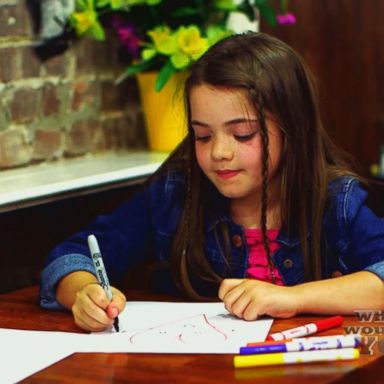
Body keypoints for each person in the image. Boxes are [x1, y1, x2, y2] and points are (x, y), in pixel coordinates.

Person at [40, 32, 384, 332]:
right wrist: (84, 294)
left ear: (294, 130)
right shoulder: (175, 194)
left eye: (243, 134)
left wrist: (291, 298)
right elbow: (70, 256)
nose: (219, 152)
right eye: (202, 136)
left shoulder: (336, 202)